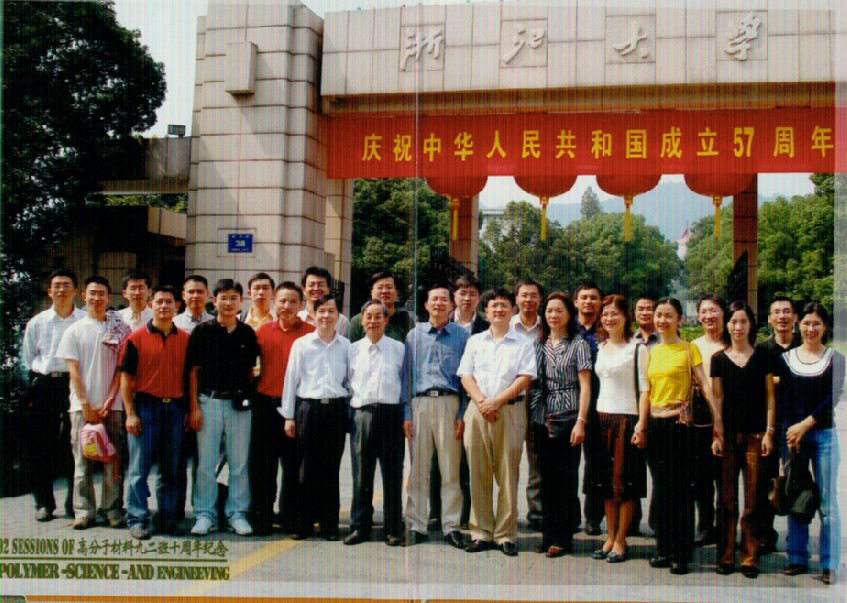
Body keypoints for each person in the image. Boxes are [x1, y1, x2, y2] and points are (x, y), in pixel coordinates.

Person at [645, 298, 721, 575]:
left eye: (669, 315)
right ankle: (663, 548)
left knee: (682, 491)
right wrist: (641, 425)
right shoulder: (650, 351)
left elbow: (705, 385)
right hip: (655, 425)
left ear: (679, 319)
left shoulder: (689, 349)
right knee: (662, 489)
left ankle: (681, 553)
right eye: (659, 315)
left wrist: (717, 420)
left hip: (680, 425)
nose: (662, 320)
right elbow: (646, 391)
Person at [459, 288, 536, 556]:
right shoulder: (475, 341)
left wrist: (497, 402)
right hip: (478, 410)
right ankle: (481, 531)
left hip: (510, 411)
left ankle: (505, 534)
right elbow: (465, 375)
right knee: (477, 473)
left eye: (504, 305)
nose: (499, 310)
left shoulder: (523, 343)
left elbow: (525, 378)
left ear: (513, 310)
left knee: (507, 474)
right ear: (486, 312)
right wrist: (482, 401)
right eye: (494, 306)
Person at [186, 279, 259, 537]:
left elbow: (252, 371)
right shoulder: (202, 332)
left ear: (241, 301)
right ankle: (205, 514)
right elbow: (193, 372)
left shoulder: (247, 333)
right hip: (209, 403)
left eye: (233, 298)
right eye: (223, 297)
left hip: (239, 406)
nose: (228, 302)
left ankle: (237, 514)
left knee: (239, 463)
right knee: (206, 464)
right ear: (213, 300)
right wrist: (194, 408)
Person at [778, 302, 844, 585]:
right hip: (795, 438)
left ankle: (829, 563)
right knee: (797, 494)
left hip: (824, 435)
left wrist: (806, 424)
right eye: (806, 323)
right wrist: (790, 435)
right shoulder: (786, 358)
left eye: (816, 323)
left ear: (825, 327)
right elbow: (784, 400)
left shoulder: (836, 359)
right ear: (798, 325)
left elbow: (833, 397)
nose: (811, 328)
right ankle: (797, 557)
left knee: (828, 503)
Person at [119, 285, 191, 540]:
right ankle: (137, 518)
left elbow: (190, 376)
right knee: (139, 469)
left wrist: (190, 409)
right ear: (151, 305)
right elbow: (126, 378)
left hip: (175, 409)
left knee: (171, 469)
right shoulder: (136, 338)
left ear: (177, 306)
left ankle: (168, 518)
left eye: (169, 302)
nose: (163, 306)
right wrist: (130, 413)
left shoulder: (185, 339)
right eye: (159, 302)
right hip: (146, 408)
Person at [402, 283, 469, 550]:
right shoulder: (413, 336)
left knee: (450, 470)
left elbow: (466, 377)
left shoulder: (462, 336)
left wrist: (462, 412)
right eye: (434, 299)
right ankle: (416, 525)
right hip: (419, 404)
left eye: (444, 299)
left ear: (451, 305)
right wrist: (407, 412)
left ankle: (451, 526)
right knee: (418, 469)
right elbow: (406, 376)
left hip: (449, 404)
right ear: (426, 304)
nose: (439, 303)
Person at [711, 301, 775, 578]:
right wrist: (717, 434)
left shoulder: (763, 357)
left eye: (743, 322)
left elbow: (770, 397)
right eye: (733, 321)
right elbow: (717, 398)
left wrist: (769, 432)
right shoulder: (718, 358)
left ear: (751, 325)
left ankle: (750, 557)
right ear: (727, 325)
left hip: (755, 436)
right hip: (727, 437)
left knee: (753, 500)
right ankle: (725, 555)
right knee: (726, 500)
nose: (738, 327)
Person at [57, 276, 126, 530]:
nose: (96, 298)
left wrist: (110, 399)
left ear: (108, 297)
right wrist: (85, 403)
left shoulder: (118, 329)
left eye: (101, 293)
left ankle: (112, 510)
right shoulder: (74, 330)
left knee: (113, 461)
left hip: (113, 405)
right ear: (84, 296)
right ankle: (84, 511)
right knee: (82, 461)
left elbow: (122, 368)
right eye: (92, 293)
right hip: (80, 407)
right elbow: (73, 371)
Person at [281, 294, 349, 541]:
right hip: (307, 410)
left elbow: (350, 382)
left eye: (331, 311)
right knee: (305, 468)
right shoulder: (302, 344)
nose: (326, 316)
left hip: (335, 410)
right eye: (321, 311)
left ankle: (329, 525)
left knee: (331, 469)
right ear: (314, 314)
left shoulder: (346, 346)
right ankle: (303, 523)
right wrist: (289, 416)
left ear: (338, 315)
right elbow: (291, 380)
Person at [529, 292, 591, 558]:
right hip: (542, 417)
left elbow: (585, 386)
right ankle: (548, 534)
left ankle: (563, 537)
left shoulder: (578, 344)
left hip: (569, 416)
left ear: (569, 315)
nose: (553, 315)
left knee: (565, 479)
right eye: (549, 311)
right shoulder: (538, 344)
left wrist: (581, 421)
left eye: (559, 311)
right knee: (546, 478)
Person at [250, 282, 314, 536]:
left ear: (301, 305)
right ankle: (262, 517)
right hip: (266, 405)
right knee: (264, 466)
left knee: (293, 467)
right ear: (274, 303)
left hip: (297, 409)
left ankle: (291, 517)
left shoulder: (310, 333)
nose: (287, 306)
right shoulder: (262, 332)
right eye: (282, 301)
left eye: (292, 302)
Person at [22, 268, 84, 522]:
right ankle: (44, 503)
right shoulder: (37, 322)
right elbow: (27, 358)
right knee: (41, 446)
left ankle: (74, 503)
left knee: (75, 445)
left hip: (74, 385)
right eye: (56, 285)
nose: (61, 289)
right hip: (45, 386)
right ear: (49, 291)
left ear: (75, 290)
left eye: (67, 285)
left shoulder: (83, 320)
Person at [428, 273, 488, 531]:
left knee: (467, 460)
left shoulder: (485, 327)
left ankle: (465, 514)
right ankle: (435, 512)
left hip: (474, 400)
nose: (467, 298)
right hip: (445, 397)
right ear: (454, 297)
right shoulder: (441, 323)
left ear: (479, 298)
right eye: (462, 293)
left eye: (472, 293)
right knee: (436, 459)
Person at [592, 295, 649, 563]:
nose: (609, 318)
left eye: (614, 313)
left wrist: (641, 424)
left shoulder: (637, 349)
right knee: (605, 483)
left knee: (624, 483)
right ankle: (610, 536)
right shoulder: (600, 347)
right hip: (601, 419)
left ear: (626, 317)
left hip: (627, 419)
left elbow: (645, 389)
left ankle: (621, 540)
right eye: (605, 314)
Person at [344, 300, 406, 546]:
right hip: (362, 415)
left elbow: (405, 384)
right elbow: (346, 383)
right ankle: (360, 527)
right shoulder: (352, 350)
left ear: (386, 320)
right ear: (361, 321)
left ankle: (393, 527)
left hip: (391, 415)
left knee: (392, 474)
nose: (373, 321)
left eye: (378, 316)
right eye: (368, 316)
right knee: (362, 474)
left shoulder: (399, 348)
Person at [755, 296, 799, 554]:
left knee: (795, 483)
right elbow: (756, 386)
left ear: (795, 317)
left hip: (799, 426)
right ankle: (765, 536)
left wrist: (776, 381)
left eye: (787, 311)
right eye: (777, 312)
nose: (782, 316)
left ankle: (797, 542)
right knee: (765, 481)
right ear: (770, 319)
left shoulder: (804, 346)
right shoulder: (761, 350)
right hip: (769, 426)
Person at [172, 274, 212, 524]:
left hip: (207, 399)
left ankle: (202, 509)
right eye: (191, 291)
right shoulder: (173, 323)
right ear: (183, 295)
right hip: (177, 399)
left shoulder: (215, 323)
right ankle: (175, 510)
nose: (196, 296)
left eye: (200, 291)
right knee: (176, 458)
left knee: (204, 459)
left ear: (207, 295)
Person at [691, 294, 727, 547]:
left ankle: (725, 526)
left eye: (713, 310)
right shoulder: (693, 346)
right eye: (704, 311)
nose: (709, 316)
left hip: (730, 413)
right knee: (702, 477)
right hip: (701, 416)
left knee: (725, 477)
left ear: (723, 313)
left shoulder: (732, 343)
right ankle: (705, 526)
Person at [511, 278, 544, 530]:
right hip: (510, 400)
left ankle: (537, 513)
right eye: (524, 295)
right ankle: (507, 513)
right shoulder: (506, 326)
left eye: (533, 295)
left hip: (538, 399)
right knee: (507, 459)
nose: (528, 300)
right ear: (516, 299)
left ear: (539, 299)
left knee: (537, 460)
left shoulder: (548, 326)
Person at [574, 282, 604, 536]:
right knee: (567, 464)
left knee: (595, 463)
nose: (589, 302)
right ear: (576, 302)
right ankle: (570, 516)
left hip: (599, 405)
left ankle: (593, 517)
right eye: (584, 297)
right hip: (568, 403)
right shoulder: (566, 328)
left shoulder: (606, 330)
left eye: (594, 298)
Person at [631, 293, 658, 534]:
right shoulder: (630, 341)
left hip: (659, 413)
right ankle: (631, 521)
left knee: (658, 471)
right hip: (634, 412)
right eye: (641, 308)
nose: (645, 313)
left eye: (650, 308)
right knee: (633, 469)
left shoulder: (665, 340)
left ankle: (658, 522)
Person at [347, 271, 414, 343]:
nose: (384, 291)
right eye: (380, 287)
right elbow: (352, 348)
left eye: (389, 287)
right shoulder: (357, 321)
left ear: (396, 293)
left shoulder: (406, 321)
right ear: (371, 293)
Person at [297, 266, 349, 337]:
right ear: (303, 290)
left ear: (328, 289)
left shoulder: (341, 321)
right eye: (312, 285)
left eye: (320, 285)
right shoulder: (297, 318)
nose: (316, 288)